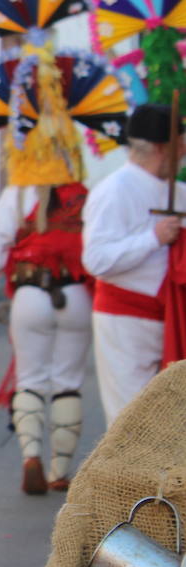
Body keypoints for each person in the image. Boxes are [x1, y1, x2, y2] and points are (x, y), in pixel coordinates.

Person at [0, 74, 91, 494]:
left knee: (31, 377)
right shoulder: (86, 194)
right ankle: (61, 471)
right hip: (75, 294)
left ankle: (30, 456)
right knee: (68, 381)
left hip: (28, 294)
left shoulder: (18, 195)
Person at [82, 103, 186, 424]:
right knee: (132, 422)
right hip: (125, 322)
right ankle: (129, 477)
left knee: (170, 424)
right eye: (180, 144)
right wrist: (152, 238)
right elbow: (96, 259)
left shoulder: (181, 192)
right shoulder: (114, 190)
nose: (183, 153)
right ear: (161, 147)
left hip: (172, 317)